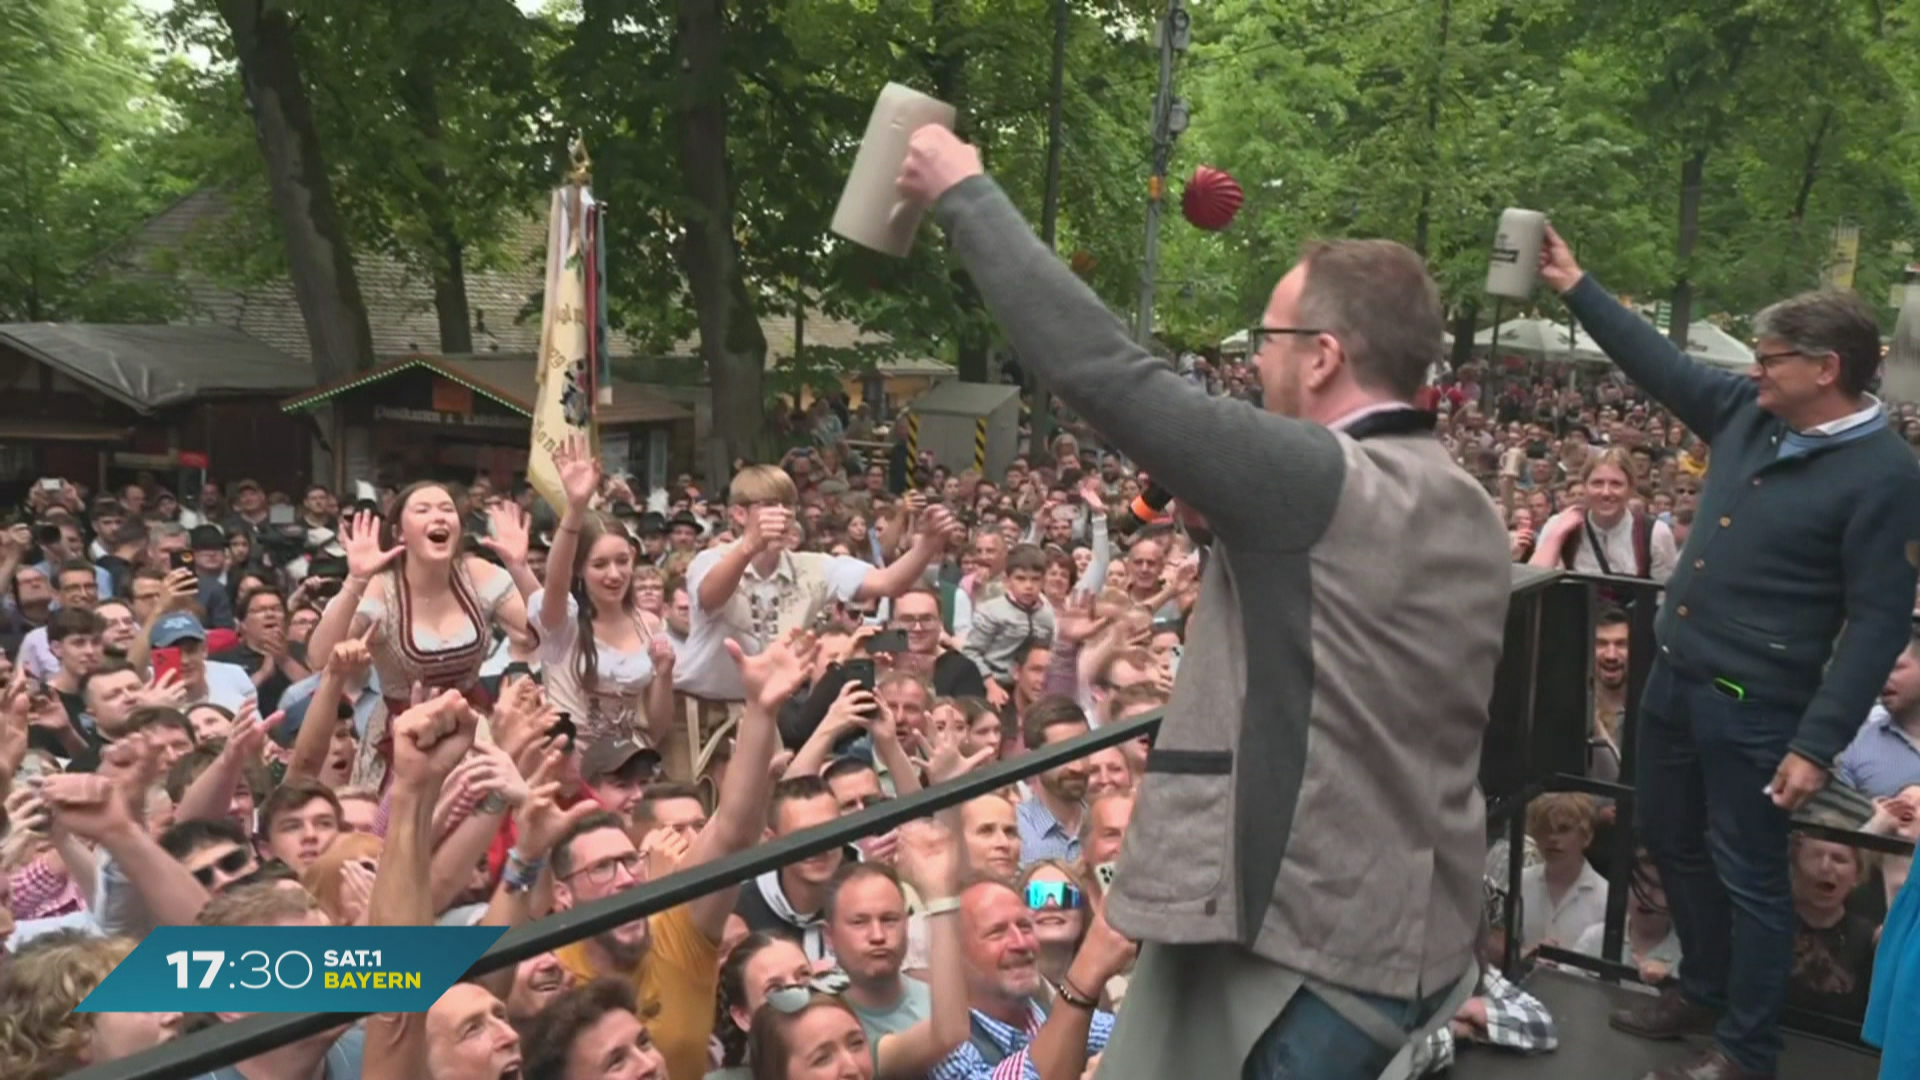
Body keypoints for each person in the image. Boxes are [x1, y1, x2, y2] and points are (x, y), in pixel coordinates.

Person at [897, 127, 1513, 1080]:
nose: (1255, 366)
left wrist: (964, 194)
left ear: (1321, 357)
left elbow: (1101, 371)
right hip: (1414, 939)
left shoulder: (1313, 477)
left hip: (1308, 966)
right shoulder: (1462, 498)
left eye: (1268, 341)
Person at [1540, 224, 1920, 1080]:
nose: (1755, 369)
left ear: (1825, 369)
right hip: (1674, 676)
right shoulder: (1751, 412)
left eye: (1771, 356)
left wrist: (1815, 742)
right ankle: (1701, 988)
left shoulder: (1886, 476)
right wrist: (1576, 284)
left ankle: (1747, 1051)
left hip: (1759, 703)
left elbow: (1877, 622)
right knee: (1669, 835)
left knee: (1751, 872)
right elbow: (1660, 364)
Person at [535, 434, 677, 750]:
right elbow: (555, 579)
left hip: (632, 763)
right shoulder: (562, 619)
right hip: (572, 765)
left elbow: (658, 726)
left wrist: (665, 675)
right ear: (579, 569)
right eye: (599, 564)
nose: (614, 574)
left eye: (622, 561)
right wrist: (575, 508)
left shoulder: (650, 625)